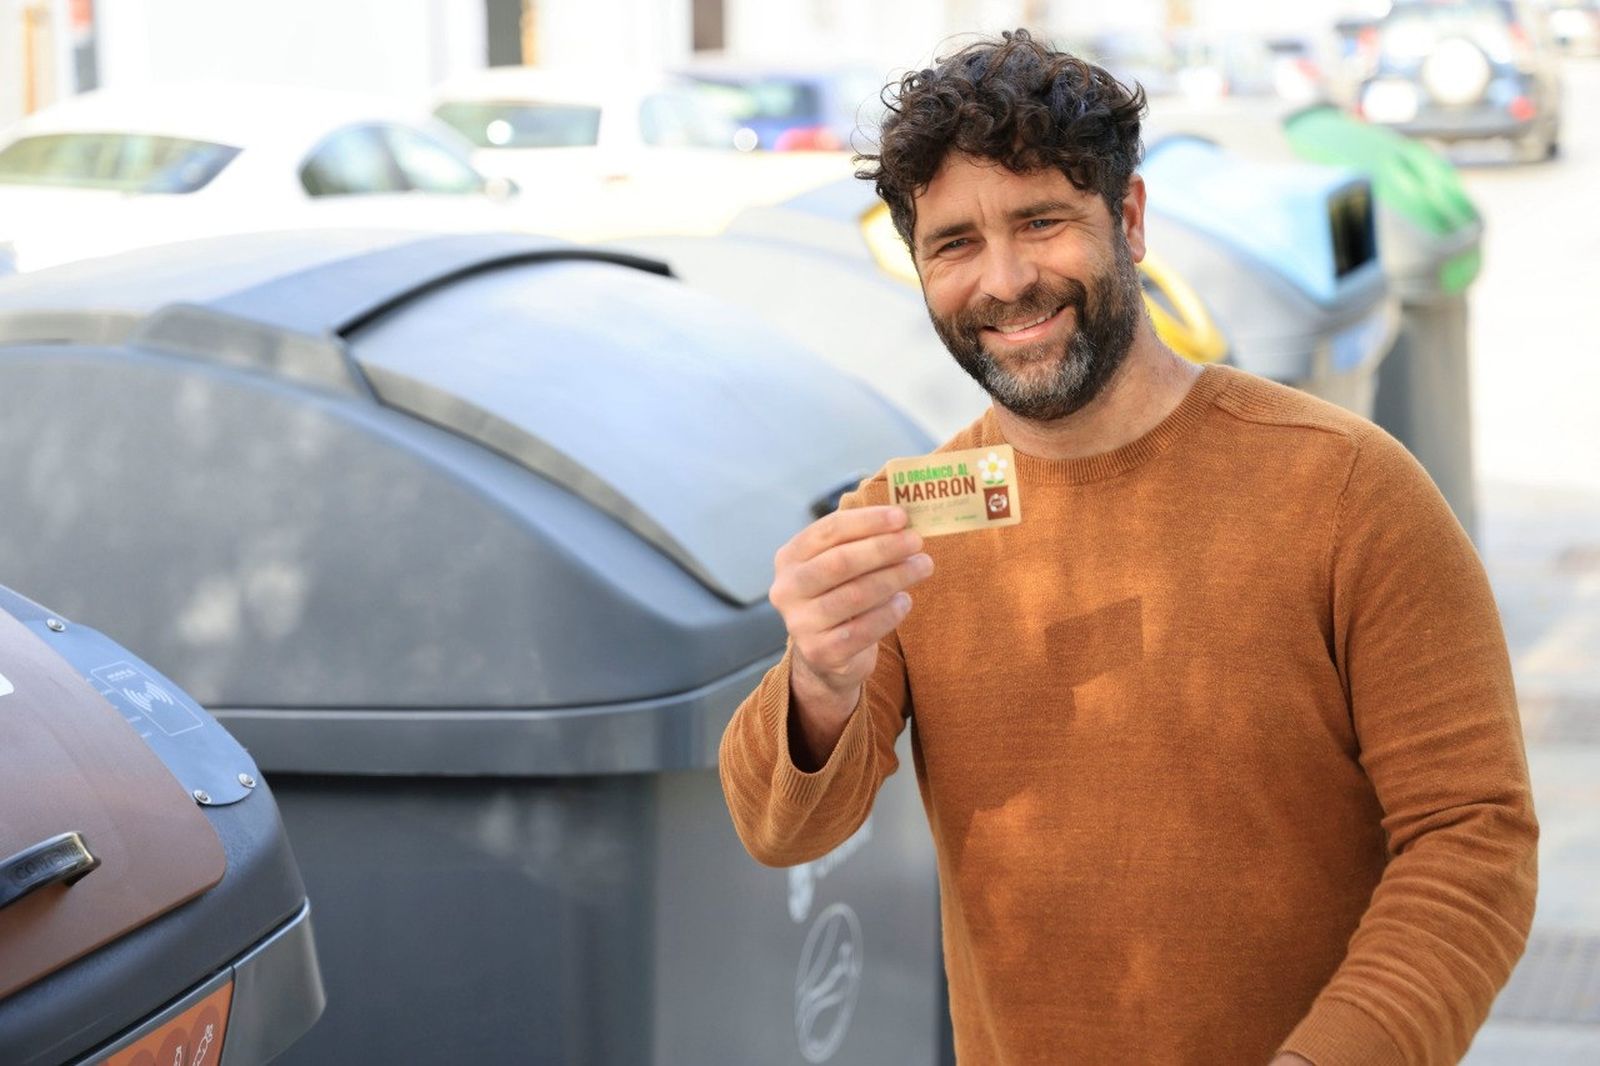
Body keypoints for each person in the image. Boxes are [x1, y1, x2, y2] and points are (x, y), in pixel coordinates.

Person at [718, 28, 1537, 1066]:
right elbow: (779, 831)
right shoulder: (913, 518)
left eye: (1042, 222)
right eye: (954, 244)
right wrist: (819, 681)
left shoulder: (1346, 488)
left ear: (1131, 219)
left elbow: (1474, 838)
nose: (1005, 280)